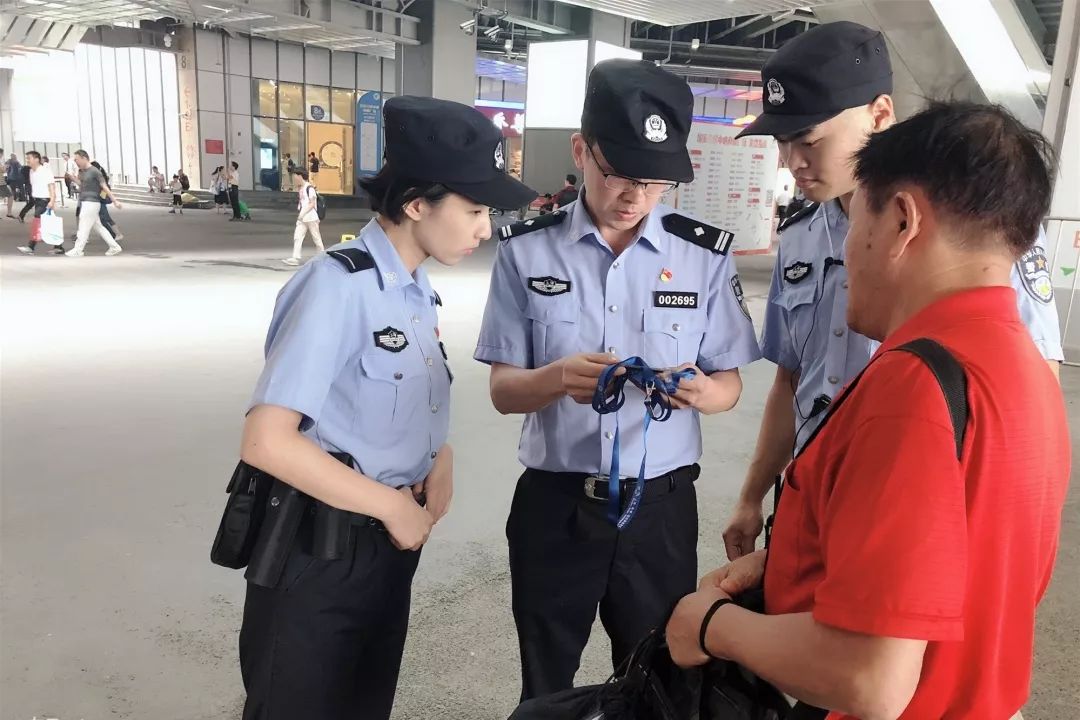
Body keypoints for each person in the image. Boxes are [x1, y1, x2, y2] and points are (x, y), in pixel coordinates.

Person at [668, 99, 1069, 720]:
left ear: (904, 220)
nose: (848, 249)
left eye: (857, 219)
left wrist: (710, 626)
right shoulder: (1022, 368)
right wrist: (794, 564)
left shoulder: (914, 390)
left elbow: (868, 678)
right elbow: (958, 567)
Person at [236, 95, 536, 720]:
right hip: (319, 554)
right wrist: (390, 506)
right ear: (417, 203)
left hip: (384, 548)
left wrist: (439, 454)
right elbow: (268, 440)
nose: (486, 229)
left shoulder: (413, 290)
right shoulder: (337, 285)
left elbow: (381, 405)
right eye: (475, 209)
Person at [721, 21, 1065, 561]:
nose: (793, 162)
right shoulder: (800, 236)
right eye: (782, 143)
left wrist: (1012, 545)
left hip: (908, 513)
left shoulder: (974, 227)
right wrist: (752, 495)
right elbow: (790, 381)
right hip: (810, 498)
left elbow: (1034, 380)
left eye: (809, 140)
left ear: (880, 113)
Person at [474, 58, 762, 701]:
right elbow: (501, 390)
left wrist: (702, 393)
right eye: (619, 175)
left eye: (656, 182)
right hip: (557, 505)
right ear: (582, 151)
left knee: (661, 673)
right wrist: (553, 378)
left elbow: (729, 385)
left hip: (657, 509)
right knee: (545, 675)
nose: (635, 196)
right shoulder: (525, 248)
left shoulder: (702, 256)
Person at [66, 149, 123, 257]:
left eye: (77, 159)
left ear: (84, 158)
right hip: (86, 201)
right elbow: (82, 185)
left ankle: (78, 250)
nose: (76, 162)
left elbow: (104, 186)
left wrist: (114, 200)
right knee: (99, 227)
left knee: (83, 226)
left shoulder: (95, 171)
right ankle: (114, 247)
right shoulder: (82, 172)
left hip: (91, 203)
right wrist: (73, 179)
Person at [15, 151, 59, 255]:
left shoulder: (45, 171)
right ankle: (59, 247)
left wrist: (52, 200)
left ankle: (31, 247)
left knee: (37, 222)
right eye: (27, 158)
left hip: (45, 200)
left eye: (29, 158)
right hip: (38, 200)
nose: (27, 160)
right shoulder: (31, 172)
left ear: (37, 159)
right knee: (49, 224)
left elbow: (51, 186)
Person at [282, 168, 324, 266]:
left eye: (295, 175)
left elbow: (312, 204)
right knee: (297, 237)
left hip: (311, 217)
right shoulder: (302, 187)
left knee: (316, 238)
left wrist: (302, 213)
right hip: (303, 218)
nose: (295, 178)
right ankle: (295, 258)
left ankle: (322, 257)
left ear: (300, 176)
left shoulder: (310, 188)